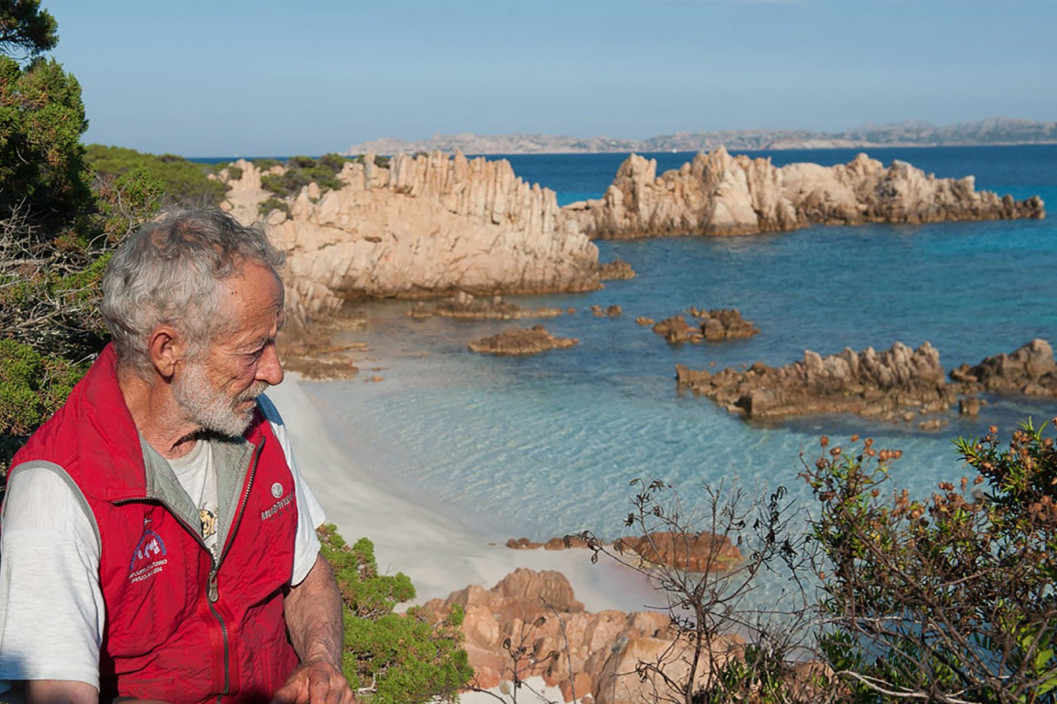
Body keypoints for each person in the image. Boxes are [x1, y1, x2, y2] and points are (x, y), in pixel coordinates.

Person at [0, 209, 355, 704]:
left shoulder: (258, 424)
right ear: (167, 350)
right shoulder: (56, 493)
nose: (275, 371)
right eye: (254, 349)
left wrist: (320, 662)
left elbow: (306, 574)